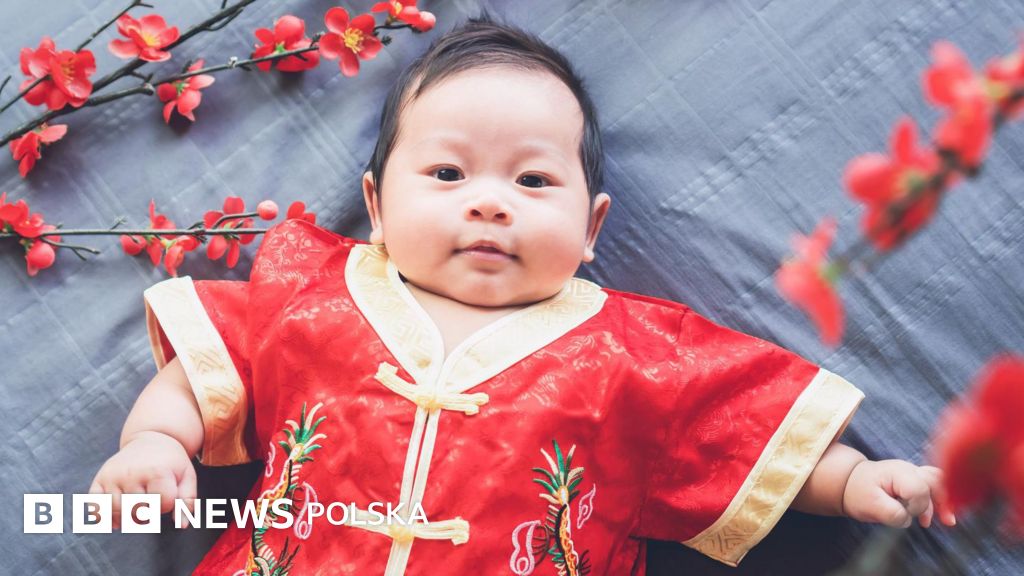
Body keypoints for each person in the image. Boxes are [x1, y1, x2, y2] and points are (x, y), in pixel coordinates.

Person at [90, 16, 956, 576]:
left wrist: (854, 479)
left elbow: (738, 436)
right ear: (376, 208)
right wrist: (154, 441)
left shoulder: (635, 354)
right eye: (447, 173)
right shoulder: (310, 291)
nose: (490, 202)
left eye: (534, 180)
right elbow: (207, 371)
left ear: (592, 227)